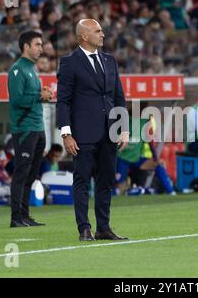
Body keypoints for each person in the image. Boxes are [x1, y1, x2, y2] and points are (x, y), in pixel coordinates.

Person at [57, 19, 129, 242]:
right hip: (83, 133)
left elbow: (118, 96)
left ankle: (103, 228)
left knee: (106, 181)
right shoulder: (69, 62)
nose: (103, 34)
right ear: (84, 36)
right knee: (82, 181)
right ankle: (84, 228)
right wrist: (66, 134)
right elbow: (63, 101)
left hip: (109, 131)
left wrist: (123, 127)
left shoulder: (110, 60)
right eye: (97, 31)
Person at [7, 30, 52, 228]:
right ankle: (16, 217)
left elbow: (33, 96)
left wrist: (43, 94)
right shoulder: (17, 70)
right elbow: (16, 100)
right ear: (26, 47)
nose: (41, 49)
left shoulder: (33, 70)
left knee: (32, 174)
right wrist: (39, 96)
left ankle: (25, 215)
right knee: (21, 173)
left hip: (37, 127)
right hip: (24, 129)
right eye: (37, 44)